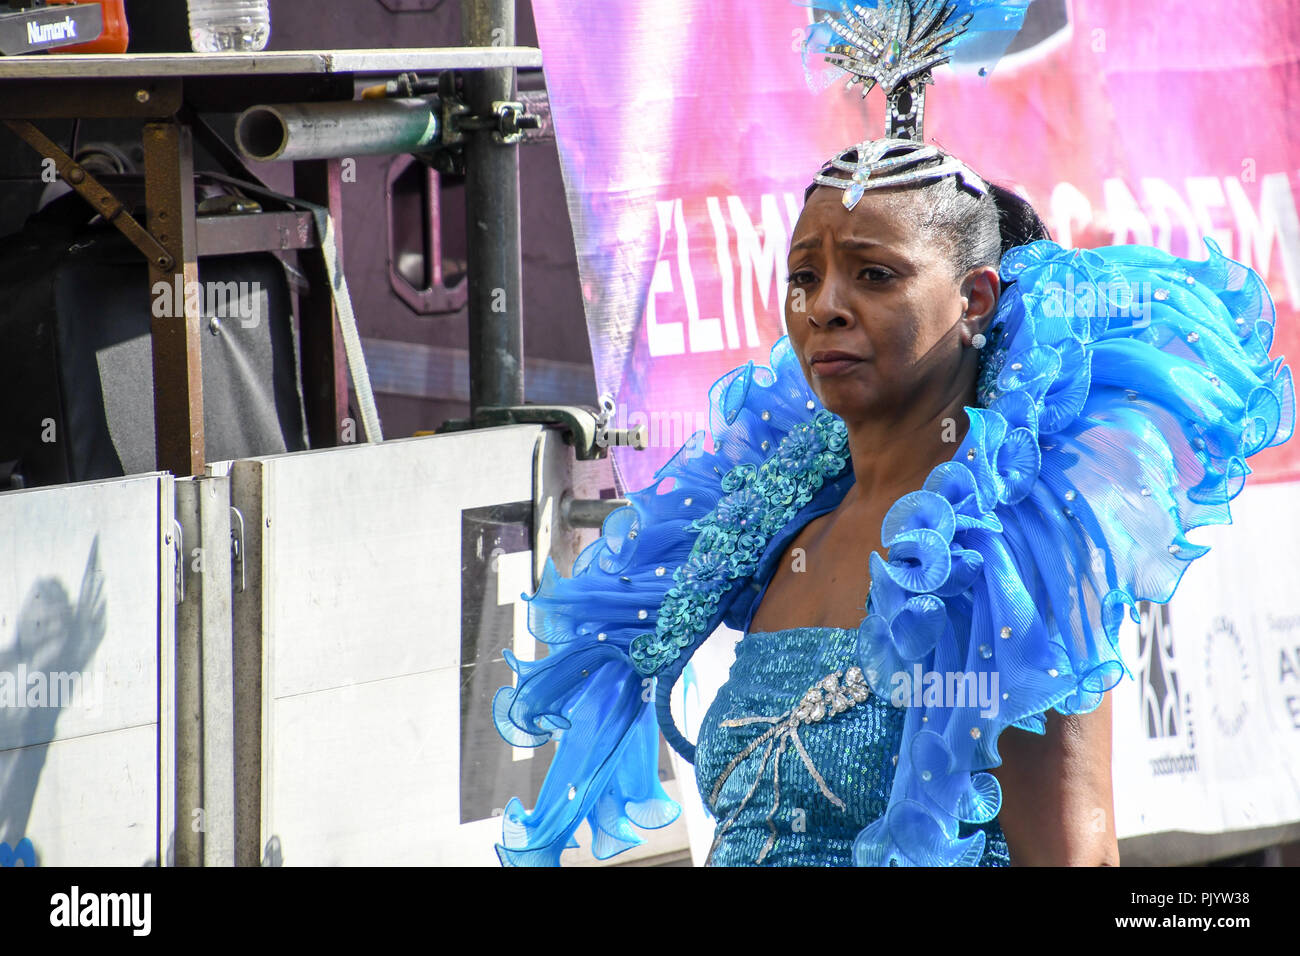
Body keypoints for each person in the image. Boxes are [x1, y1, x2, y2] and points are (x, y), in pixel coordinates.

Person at [490, 0, 1295, 867]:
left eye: (874, 275)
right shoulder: (769, 524)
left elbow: (1074, 857)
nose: (825, 306)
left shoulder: (1011, 554)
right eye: (805, 274)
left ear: (976, 299)